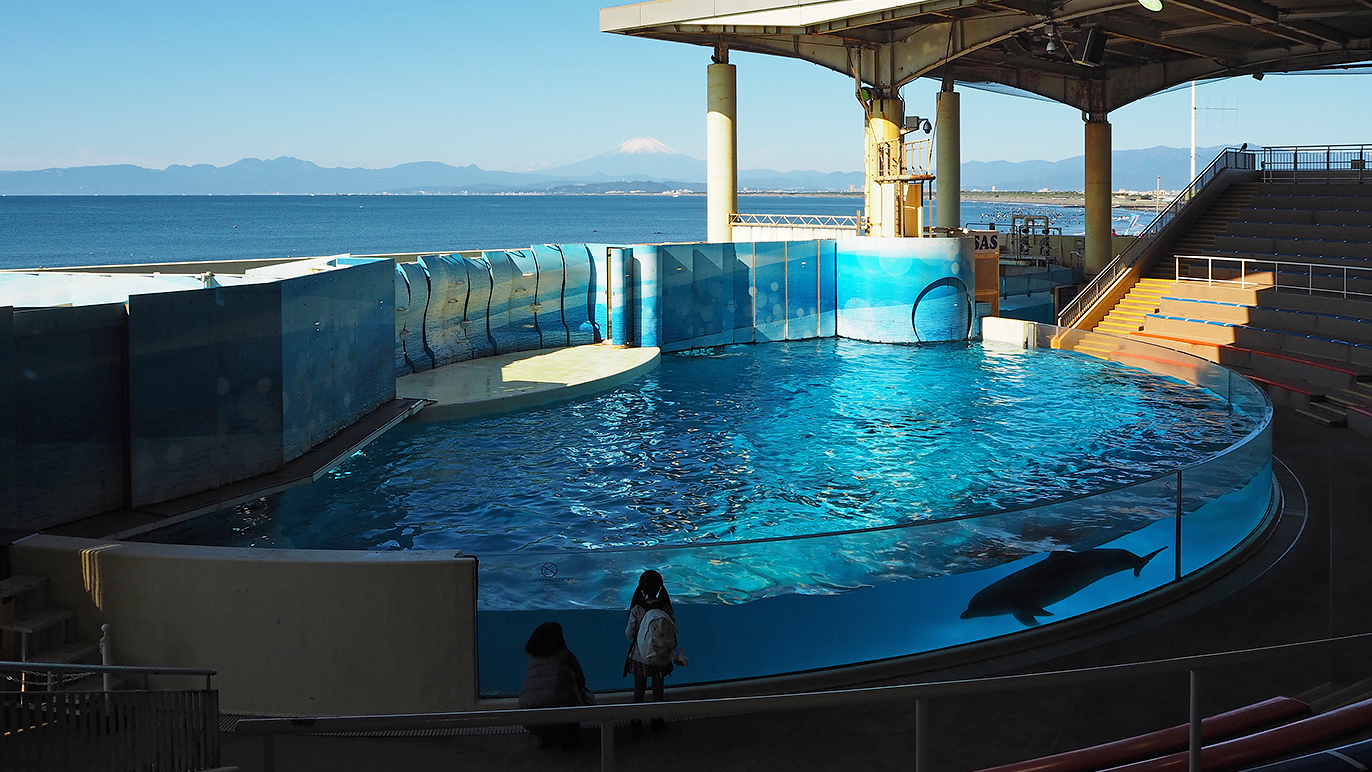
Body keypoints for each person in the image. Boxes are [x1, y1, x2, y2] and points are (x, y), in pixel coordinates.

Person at [622, 569, 686, 736]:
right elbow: (674, 629)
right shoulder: (665, 606)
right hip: (662, 656)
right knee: (658, 689)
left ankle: (636, 722)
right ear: (659, 588)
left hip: (640, 656)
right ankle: (657, 720)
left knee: (639, 689)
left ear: (641, 588)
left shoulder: (637, 608)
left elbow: (629, 634)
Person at [519, 621, 594, 748]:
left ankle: (541, 736)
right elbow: (581, 680)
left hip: (528, 716)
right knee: (583, 693)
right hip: (563, 716)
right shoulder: (565, 655)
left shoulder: (533, 658)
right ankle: (562, 737)